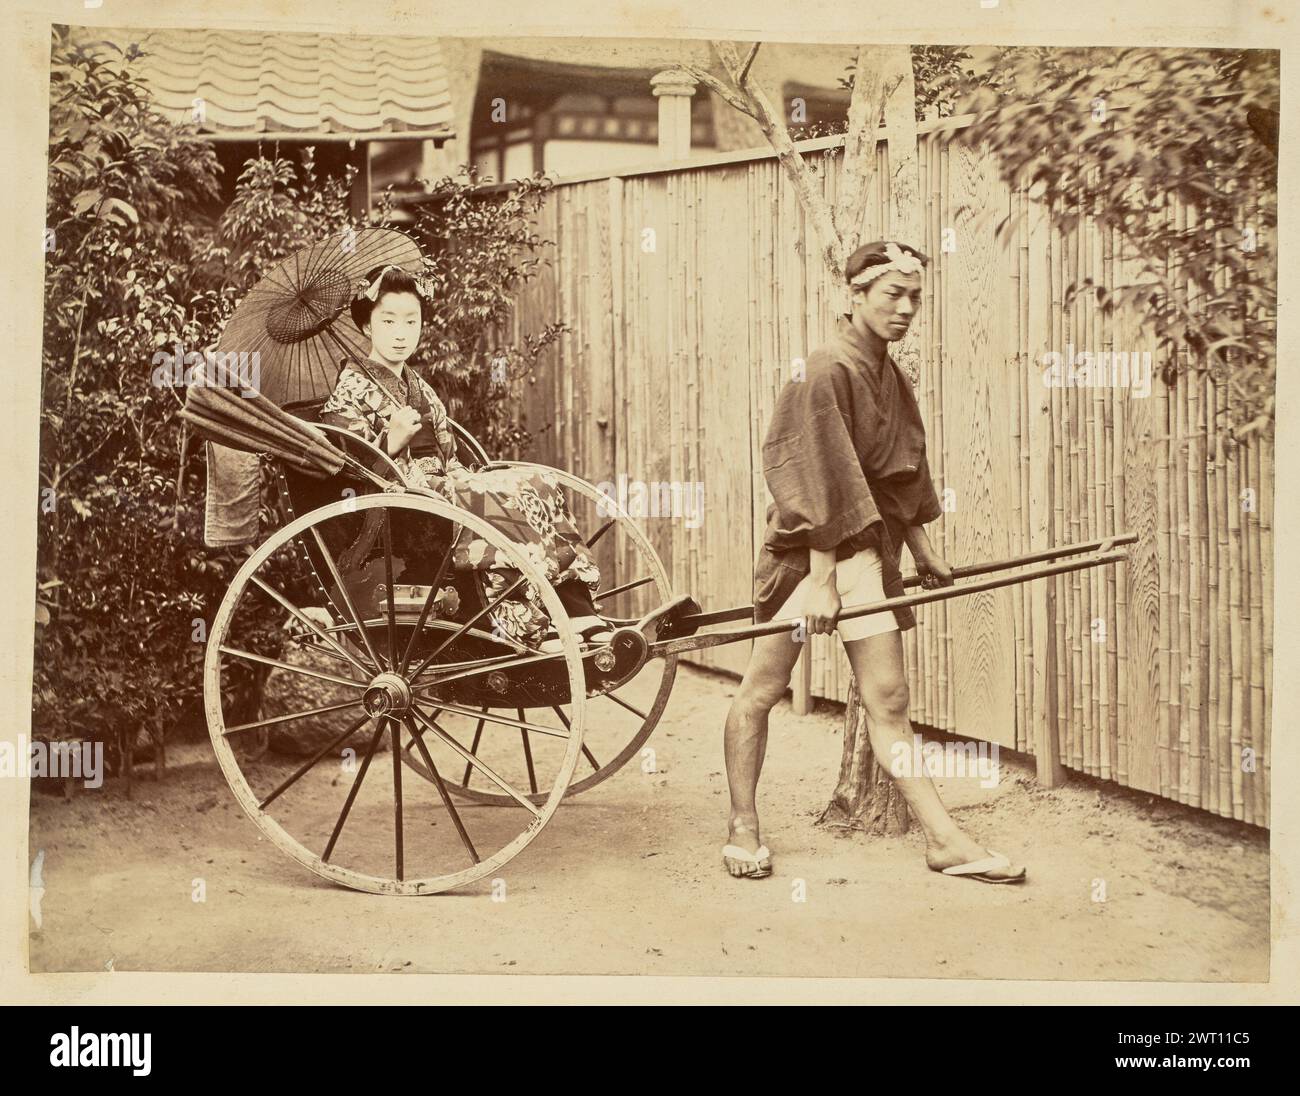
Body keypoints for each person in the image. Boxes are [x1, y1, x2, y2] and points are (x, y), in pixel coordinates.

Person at [721, 240, 1026, 885]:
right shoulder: (824, 367)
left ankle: (943, 840)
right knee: (761, 690)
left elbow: (898, 471)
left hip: (868, 553)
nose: (907, 308)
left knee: (888, 700)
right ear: (854, 296)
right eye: (894, 294)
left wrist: (924, 551)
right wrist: (824, 581)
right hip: (807, 560)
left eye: (916, 296)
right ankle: (743, 824)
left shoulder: (888, 370)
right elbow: (812, 473)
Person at [320, 264, 612, 653]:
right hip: (400, 505)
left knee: (534, 482)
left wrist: (466, 478)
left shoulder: (417, 385)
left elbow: (449, 454)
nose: (400, 332)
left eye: (411, 321)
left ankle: (575, 608)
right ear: (367, 327)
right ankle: (528, 624)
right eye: (388, 321)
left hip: (443, 487)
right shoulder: (349, 390)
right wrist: (389, 442)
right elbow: (348, 473)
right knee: (491, 498)